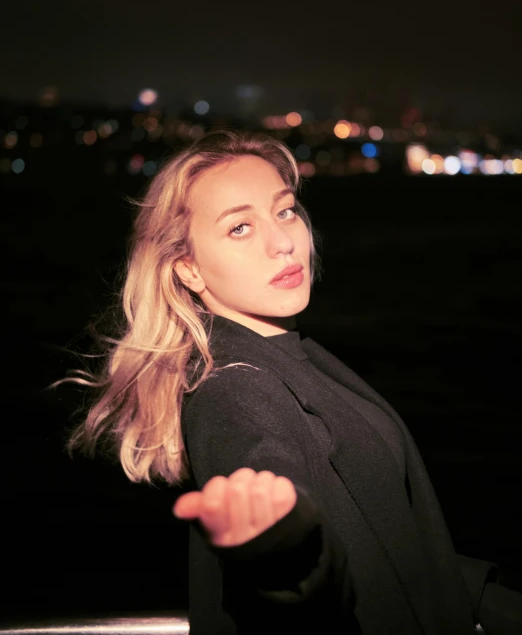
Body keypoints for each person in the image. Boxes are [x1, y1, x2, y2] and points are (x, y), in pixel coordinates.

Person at [66, 129, 521, 635]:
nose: (283, 242)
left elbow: (379, 532)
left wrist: (485, 601)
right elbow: (273, 483)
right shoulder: (233, 388)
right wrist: (277, 540)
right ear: (188, 269)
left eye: (284, 211)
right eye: (240, 227)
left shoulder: (287, 355)